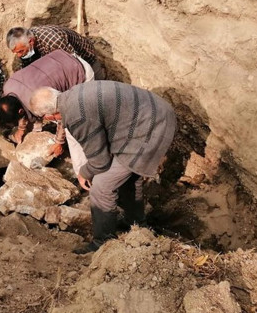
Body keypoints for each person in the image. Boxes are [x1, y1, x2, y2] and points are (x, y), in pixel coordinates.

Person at [29, 81, 176, 254]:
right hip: (154, 111)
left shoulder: (78, 117)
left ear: (49, 116)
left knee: (101, 186)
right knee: (127, 177)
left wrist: (84, 173)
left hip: (150, 127)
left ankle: (103, 242)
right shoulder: (71, 96)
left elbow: (100, 161)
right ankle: (136, 224)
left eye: (43, 118)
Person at [0, 49, 94, 158]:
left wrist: (59, 142)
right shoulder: (8, 87)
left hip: (80, 72)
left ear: (21, 111)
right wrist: (21, 129)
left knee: (76, 122)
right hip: (60, 58)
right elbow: (19, 107)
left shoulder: (38, 99)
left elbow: (63, 114)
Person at [6, 25, 105, 79]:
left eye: (20, 51)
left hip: (84, 57)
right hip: (58, 57)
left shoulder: (53, 41)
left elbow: (75, 65)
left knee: (97, 85)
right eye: (16, 52)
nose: (19, 55)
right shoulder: (26, 42)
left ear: (31, 41)